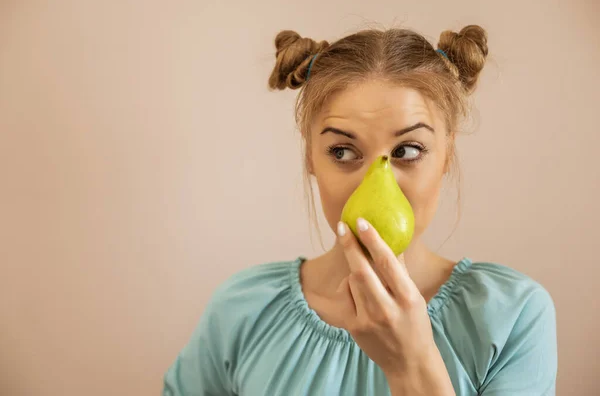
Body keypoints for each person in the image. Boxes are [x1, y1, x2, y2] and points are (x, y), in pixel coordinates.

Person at [162, 24, 558, 396]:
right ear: (310, 158)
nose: (375, 182)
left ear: (447, 154)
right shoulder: (242, 309)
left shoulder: (512, 316)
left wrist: (411, 364)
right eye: (343, 152)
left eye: (407, 151)